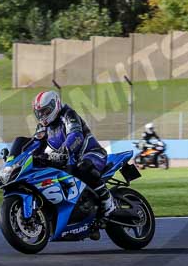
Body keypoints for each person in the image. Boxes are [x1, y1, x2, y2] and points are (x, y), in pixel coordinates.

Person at [31, 91, 136, 222]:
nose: (43, 116)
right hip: (68, 160)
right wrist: (22, 157)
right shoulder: (42, 127)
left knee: (84, 167)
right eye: (40, 113)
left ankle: (109, 205)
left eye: (46, 111)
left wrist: (64, 151)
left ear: (55, 105)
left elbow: (76, 135)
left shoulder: (68, 114)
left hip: (92, 153)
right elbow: (35, 144)